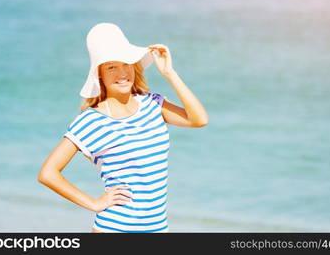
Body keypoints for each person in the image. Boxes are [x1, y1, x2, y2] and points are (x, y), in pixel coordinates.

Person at [37, 22, 208, 233]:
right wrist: (94, 203)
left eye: (126, 64)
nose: (122, 73)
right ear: (99, 74)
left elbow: (199, 120)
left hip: (158, 229)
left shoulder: (153, 104)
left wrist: (170, 74)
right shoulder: (90, 121)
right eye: (111, 67)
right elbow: (48, 173)